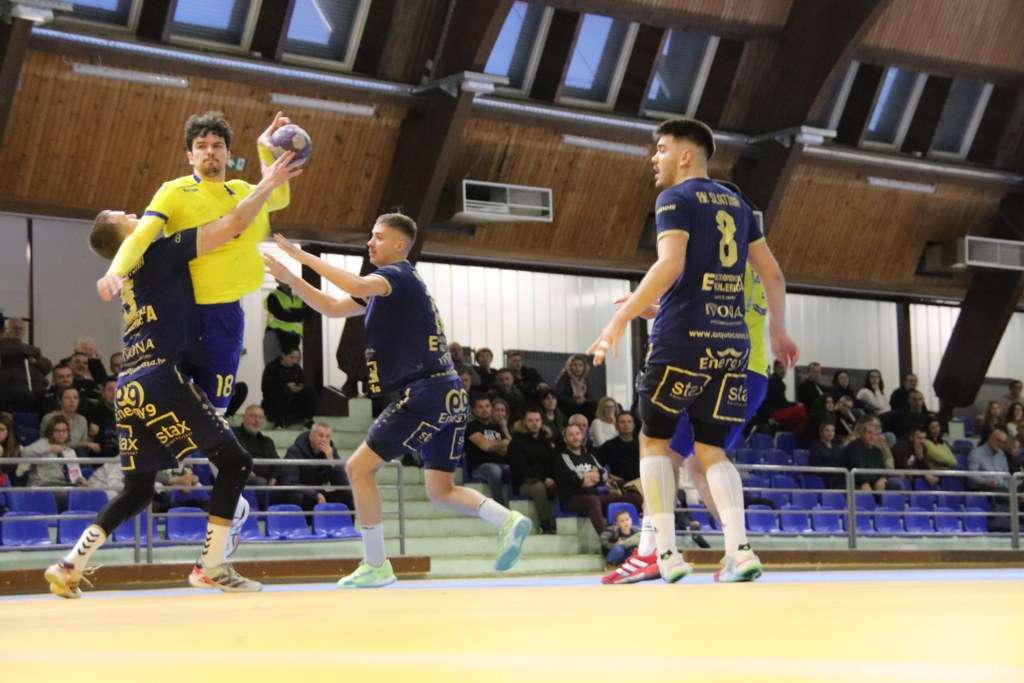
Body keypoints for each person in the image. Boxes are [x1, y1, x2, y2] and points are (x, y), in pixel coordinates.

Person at [43, 151, 299, 599]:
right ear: (126, 236)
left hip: (130, 387)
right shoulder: (158, 252)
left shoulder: (128, 276)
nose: (136, 215)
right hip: (161, 378)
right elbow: (232, 223)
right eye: (126, 217)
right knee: (236, 462)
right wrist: (268, 182)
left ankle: (69, 565)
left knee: (138, 490)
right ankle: (212, 566)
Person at [263, 214, 532, 588]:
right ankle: (507, 519)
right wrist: (292, 279)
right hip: (449, 393)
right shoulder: (391, 287)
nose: (370, 243)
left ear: (399, 245)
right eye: (370, 236)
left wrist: (303, 257)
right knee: (440, 489)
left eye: (378, 237)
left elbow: (357, 283)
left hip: (426, 392)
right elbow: (333, 306)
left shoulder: (397, 276)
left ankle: (376, 564)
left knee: (358, 469)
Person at [588, 117, 798, 584]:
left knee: (654, 443)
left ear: (686, 155)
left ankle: (664, 554)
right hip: (733, 346)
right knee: (710, 451)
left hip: (683, 339)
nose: (654, 158)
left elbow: (670, 263)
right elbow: (774, 275)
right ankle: (740, 551)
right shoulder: (740, 205)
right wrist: (779, 332)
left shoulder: (674, 198)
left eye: (661, 149)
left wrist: (619, 320)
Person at [96, 110, 294, 416]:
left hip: (227, 312)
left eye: (217, 145)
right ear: (190, 156)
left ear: (228, 154)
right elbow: (140, 236)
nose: (209, 151)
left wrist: (265, 150)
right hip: (186, 312)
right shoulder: (174, 191)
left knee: (217, 408)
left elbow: (280, 198)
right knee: (180, 405)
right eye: (201, 146)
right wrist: (114, 271)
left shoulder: (242, 190)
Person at [550, 423, 642, 535]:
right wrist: (593, 475)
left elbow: (604, 475)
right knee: (592, 501)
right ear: (565, 439)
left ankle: (635, 533)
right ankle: (606, 538)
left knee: (634, 498)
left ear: (582, 436)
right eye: (571, 435)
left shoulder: (589, 456)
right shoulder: (564, 457)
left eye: (577, 434)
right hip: (572, 499)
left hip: (595, 497)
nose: (575, 437)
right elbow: (579, 480)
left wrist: (587, 476)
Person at [269, 422, 353, 511]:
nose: (324, 440)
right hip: (299, 494)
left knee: (348, 494)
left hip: (318, 495)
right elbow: (290, 483)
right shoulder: (294, 451)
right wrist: (315, 494)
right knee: (297, 496)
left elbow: (343, 484)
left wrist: (332, 462)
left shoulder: (330, 452)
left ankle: (344, 521)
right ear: (311, 436)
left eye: (327, 437)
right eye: (320, 435)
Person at [507, 408, 557, 534]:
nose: (534, 423)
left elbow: (552, 463)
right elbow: (521, 469)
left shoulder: (546, 441)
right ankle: (546, 524)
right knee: (539, 488)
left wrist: (553, 478)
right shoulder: (516, 443)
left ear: (541, 422)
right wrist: (544, 479)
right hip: (524, 482)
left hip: (546, 479)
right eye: (530, 420)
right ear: (524, 422)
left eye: (537, 420)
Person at [464, 394, 512, 507]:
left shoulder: (497, 428)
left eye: (487, 406)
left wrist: (504, 431)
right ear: (474, 410)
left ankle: (515, 502)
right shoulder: (471, 427)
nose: (484, 409)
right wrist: (502, 444)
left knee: (513, 469)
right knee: (494, 470)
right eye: (480, 407)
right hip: (479, 467)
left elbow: (510, 449)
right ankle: (500, 507)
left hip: (501, 464)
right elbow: (486, 446)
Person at [261, 348, 317, 428]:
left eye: (297, 358)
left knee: (310, 392)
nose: (294, 360)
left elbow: (302, 382)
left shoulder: (297, 368)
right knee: (285, 391)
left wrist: (299, 387)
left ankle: (308, 419)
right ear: (283, 355)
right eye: (291, 357)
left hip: (293, 400)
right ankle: (279, 421)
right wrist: (285, 386)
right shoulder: (272, 367)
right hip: (275, 401)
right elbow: (266, 388)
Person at [263, 282, 308, 365]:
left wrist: (291, 311)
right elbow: (282, 315)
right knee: (273, 368)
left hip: (293, 338)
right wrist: (298, 314)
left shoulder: (298, 296)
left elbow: (308, 311)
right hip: (275, 335)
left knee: (294, 369)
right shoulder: (273, 296)